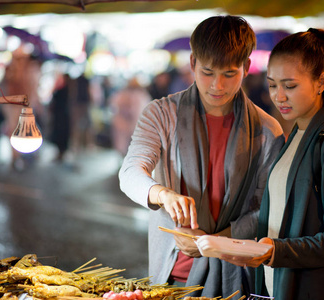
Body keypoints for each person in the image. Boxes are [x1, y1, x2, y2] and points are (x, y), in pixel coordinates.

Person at [119, 15, 284, 298]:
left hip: (236, 277)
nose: (217, 86)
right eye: (208, 72)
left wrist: (214, 243)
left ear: (246, 66)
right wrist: (162, 194)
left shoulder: (267, 131)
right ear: (193, 62)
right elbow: (130, 172)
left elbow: (265, 210)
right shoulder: (161, 114)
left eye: (229, 74)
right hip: (170, 275)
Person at [220, 28, 324, 299]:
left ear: (321, 82)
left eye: (290, 86)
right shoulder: (297, 133)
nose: (279, 96)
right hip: (279, 286)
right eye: (272, 84)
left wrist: (278, 251)